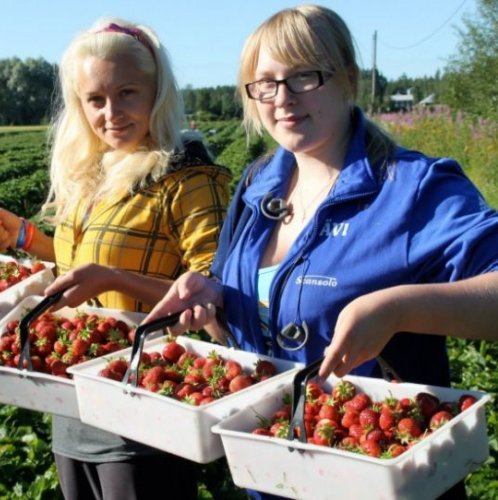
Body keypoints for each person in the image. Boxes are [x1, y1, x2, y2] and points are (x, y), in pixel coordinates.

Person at [143, 5, 498, 500]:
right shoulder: (257, 186)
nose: (283, 98)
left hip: (382, 476)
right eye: (265, 83)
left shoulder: (414, 189)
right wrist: (216, 296)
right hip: (274, 472)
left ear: (347, 77)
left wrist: (397, 308)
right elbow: (248, 310)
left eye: (304, 77)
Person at [0, 17, 230, 500]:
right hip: (73, 404)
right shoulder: (95, 171)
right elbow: (82, 265)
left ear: (157, 92)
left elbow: (216, 296)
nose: (111, 113)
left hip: (146, 409)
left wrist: (117, 279)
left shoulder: (188, 177)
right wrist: (26, 237)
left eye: (127, 93)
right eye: (95, 99)